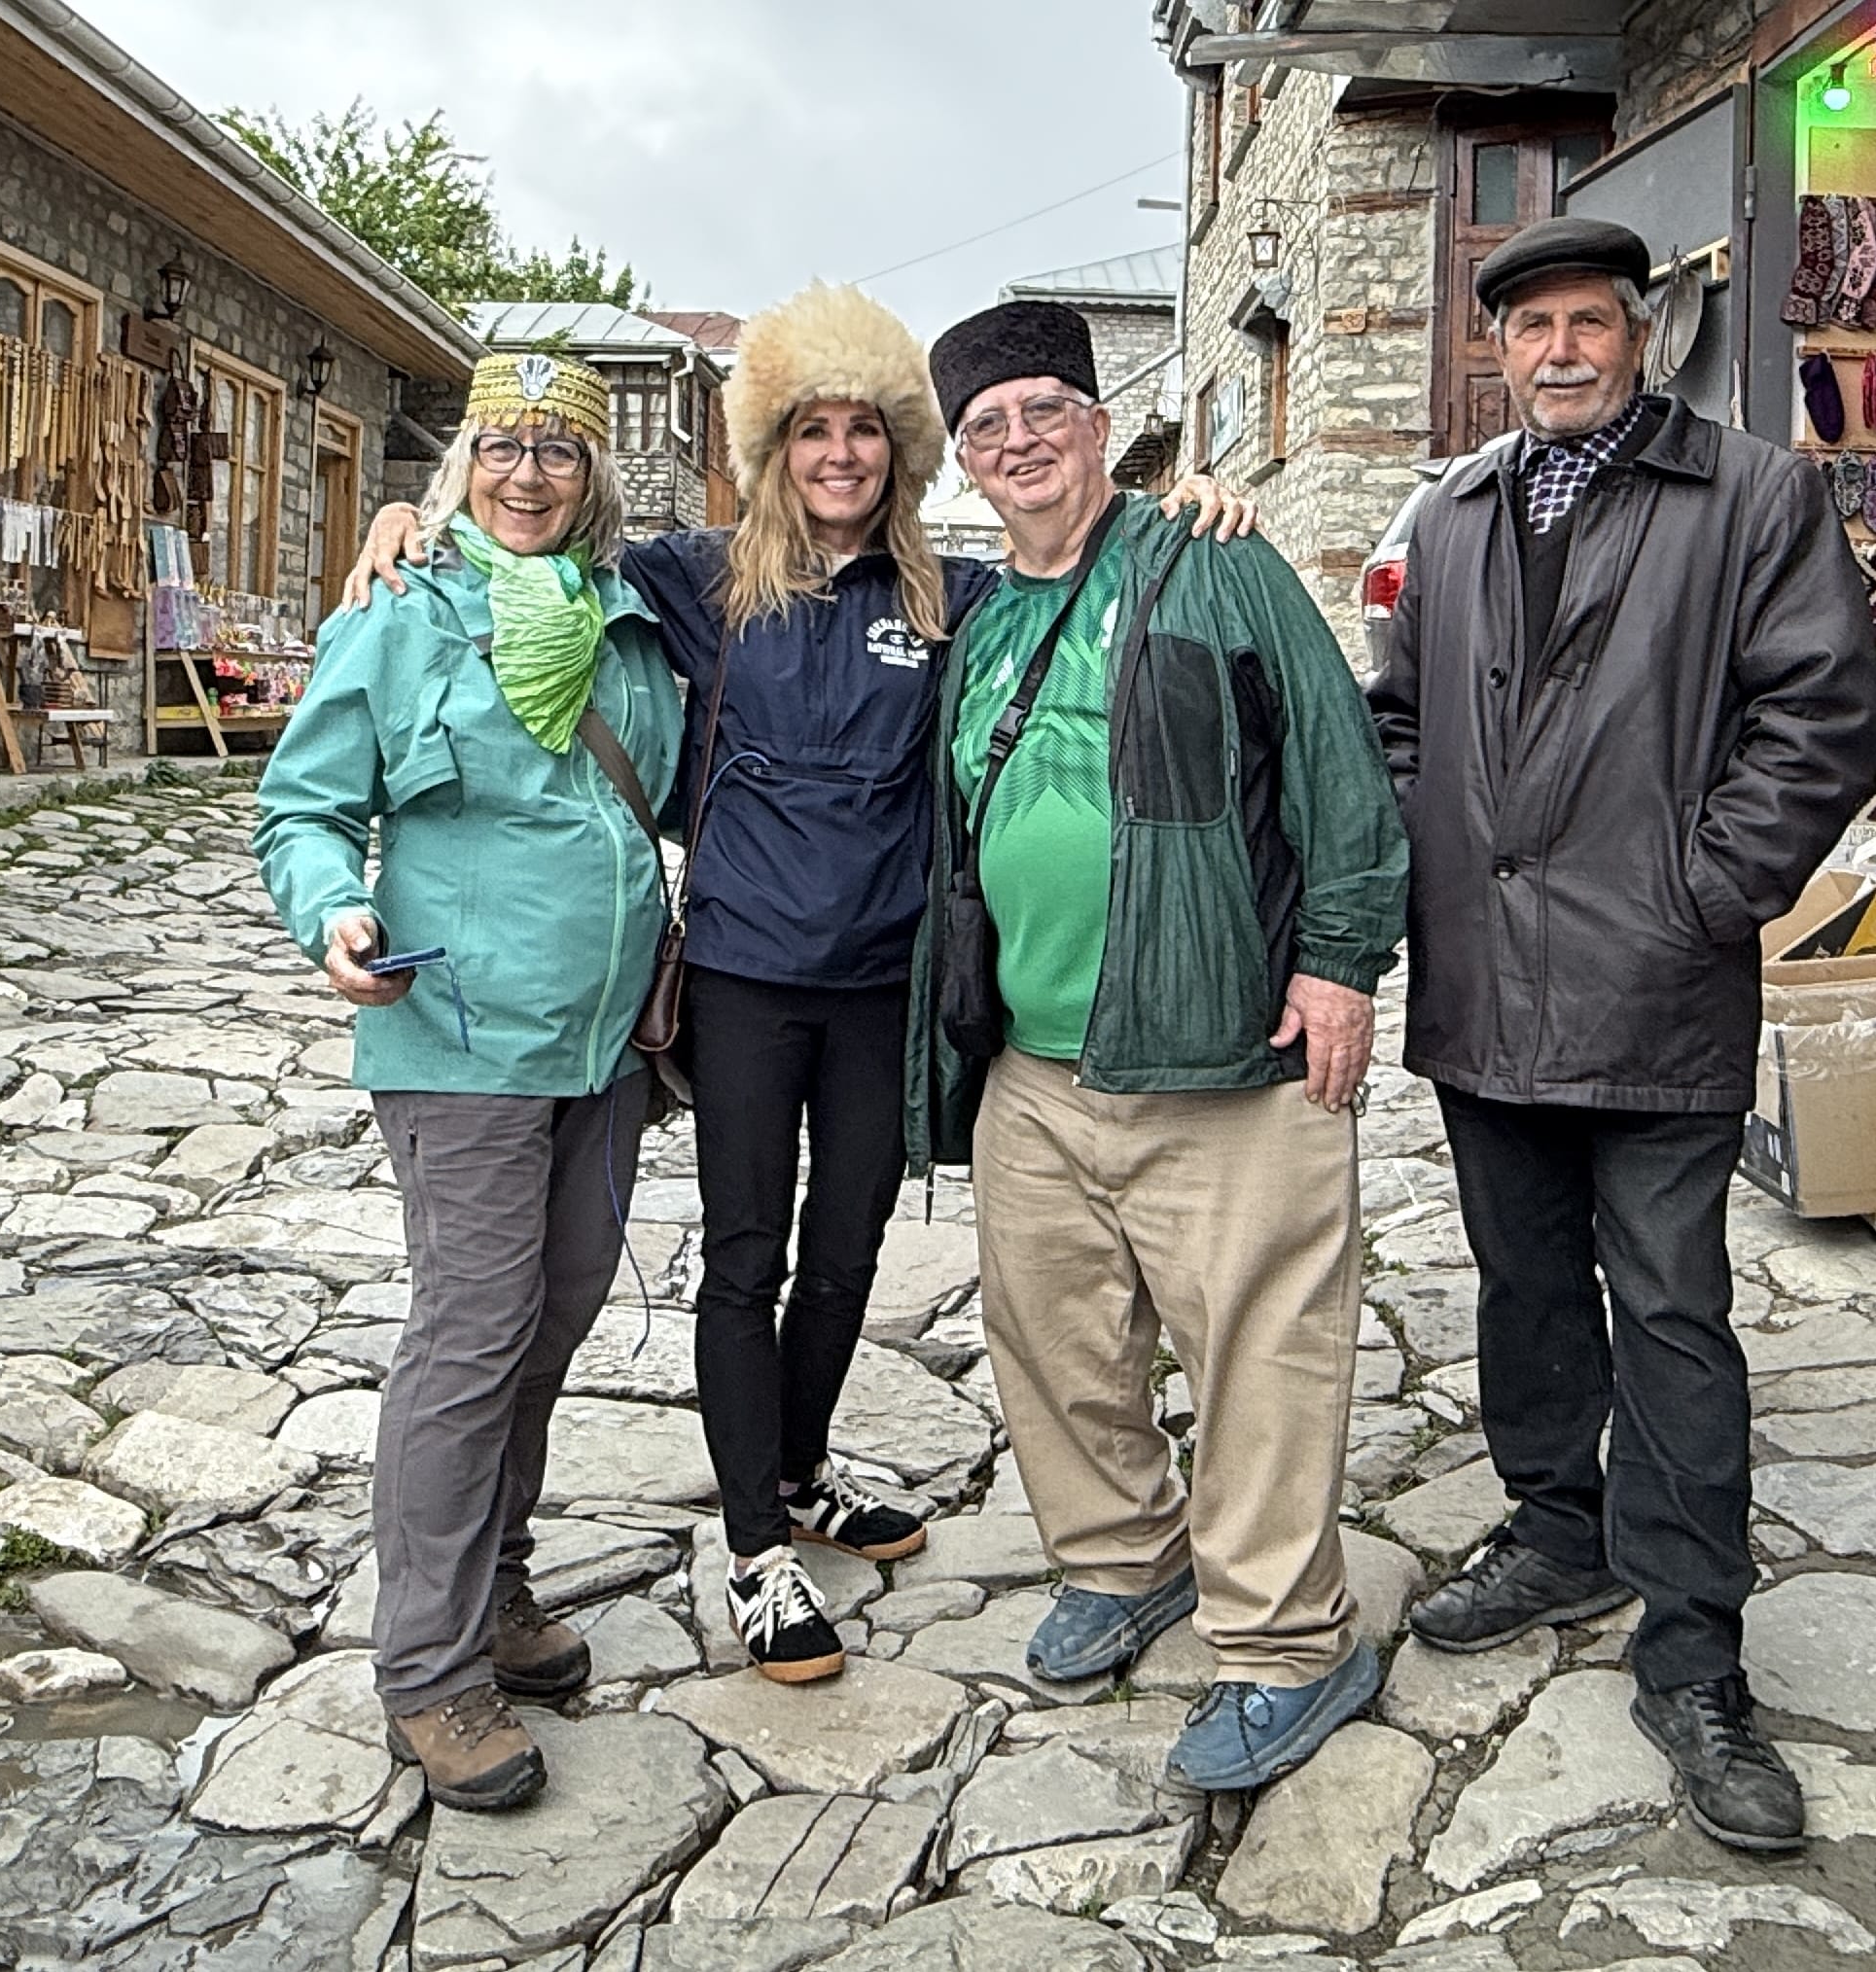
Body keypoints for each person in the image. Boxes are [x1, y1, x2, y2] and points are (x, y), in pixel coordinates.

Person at [343, 291, 1262, 1686]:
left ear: (900, 446)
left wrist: (1185, 501)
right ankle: (755, 1550)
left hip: (885, 984)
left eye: (864, 431)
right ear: (771, 446)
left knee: (847, 1256)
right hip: (744, 976)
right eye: (810, 431)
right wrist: (404, 526)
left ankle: (803, 1466)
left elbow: (1082, 569)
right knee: (742, 1258)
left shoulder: (951, 596)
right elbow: (533, 559)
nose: (839, 455)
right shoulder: (694, 580)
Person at [1366, 217, 1876, 1852]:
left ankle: (1694, 1652)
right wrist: (1417, 872)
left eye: (1591, 322)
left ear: (1639, 333)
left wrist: (1702, 888)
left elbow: (1820, 714)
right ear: (1498, 352)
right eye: (1533, 331)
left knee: (1670, 1311)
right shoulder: (1448, 516)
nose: (1563, 353)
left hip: (1653, 975)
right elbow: (1395, 720)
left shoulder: (1750, 494)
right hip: (1483, 980)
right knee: (1521, 1283)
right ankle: (1552, 1526)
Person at [907, 300, 1408, 1793]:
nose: (1019, 444)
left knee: (1261, 1351)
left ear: (1096, 423)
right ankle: (1125, 1560)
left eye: (1044, 411)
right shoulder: (981, 616)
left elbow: (1338, 762)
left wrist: (1339, 963)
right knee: (1055, 1342)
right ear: (965, 462)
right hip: (1037, 1067)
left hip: (1226, 1052)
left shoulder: (1215, 558)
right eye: (987, 428)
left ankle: (1286, 1644)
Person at [254, 350, 683, 1813]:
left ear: (592, 477)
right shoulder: (398, 613)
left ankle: (496, 1594)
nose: (526, 474)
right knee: (471, 1333)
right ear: (458, 470)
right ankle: (428, 1673)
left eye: (557, 452)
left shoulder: (625, 624)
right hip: (459, 1037)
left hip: (604, 1045)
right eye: (498, 447)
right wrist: (332, 915)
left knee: (548, 1326)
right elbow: (306, 806)